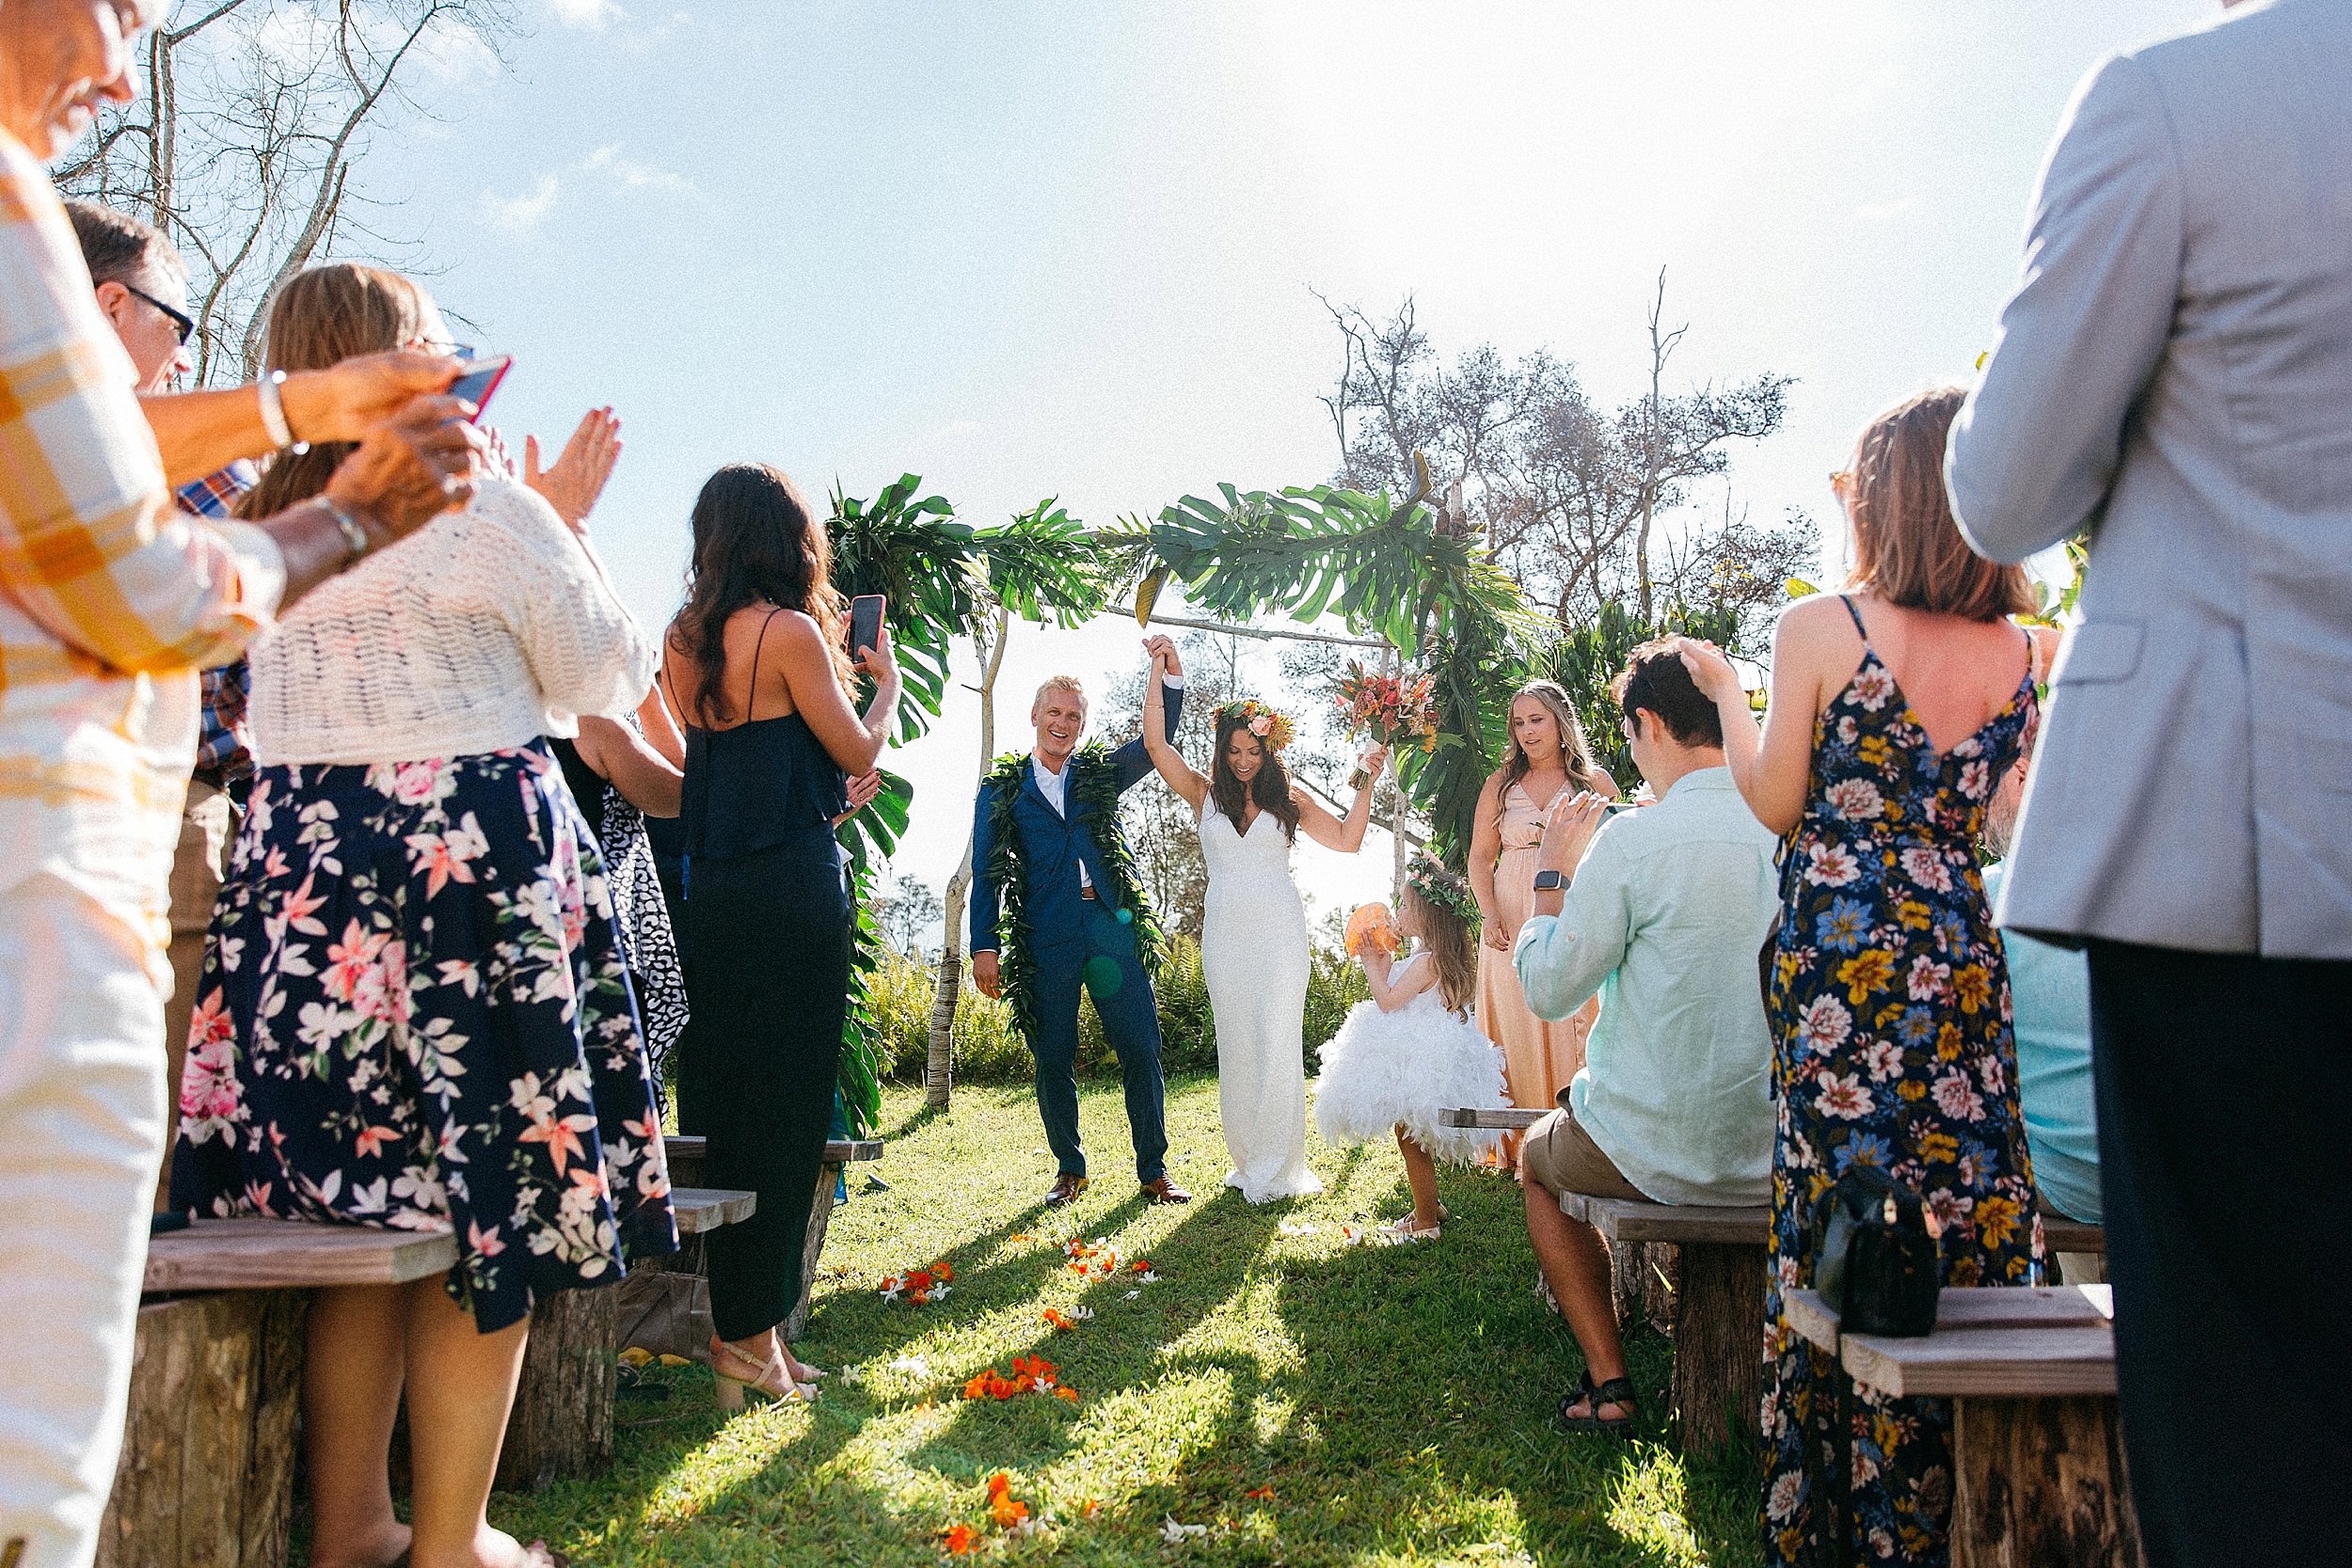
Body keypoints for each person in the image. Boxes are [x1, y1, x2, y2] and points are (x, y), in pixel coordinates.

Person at [0, 6, 482, 1560]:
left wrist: (296, 414)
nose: (121, 68)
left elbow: (105, 449)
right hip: (39, 894)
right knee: (31, 1463)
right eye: (117, 10)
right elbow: (147, 583)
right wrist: (351, 511)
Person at [172, 262, 671, 1568]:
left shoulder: (256, 525)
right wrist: (562, 517)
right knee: (477, 1212)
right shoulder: (484, 508)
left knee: (358, 1222)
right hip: (468, 882)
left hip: (304, 891)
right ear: (404, 363)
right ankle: (449, 1545)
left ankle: (351, 1528)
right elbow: (607, 672)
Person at [1946, 8, 2352, 1554]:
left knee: (2248, 1398)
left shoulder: (2179, 104)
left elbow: (2003, 486)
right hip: (2233, 843)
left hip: (2237, 840)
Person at [1683, 388, 2042, 1568]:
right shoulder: (2034, 651)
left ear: (1882, 496)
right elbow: (2007, 824)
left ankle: (1845, 1521)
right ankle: (1977, 1499)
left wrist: (1730, 701)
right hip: (1957, 944)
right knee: (1972, 1186)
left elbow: (1779, 800)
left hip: (1840, 949)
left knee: (1845, 1210)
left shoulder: (1816, 630)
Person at [660, 463, 896, 1407]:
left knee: (724, 1102)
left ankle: (745, 1333)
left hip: (710, 891)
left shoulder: (683, 641)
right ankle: (749, 1342)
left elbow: (730, 779)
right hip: (793, 896)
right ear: (783, 536)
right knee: (790, 1107)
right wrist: (880, 686)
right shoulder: (791, 632)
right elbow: (859, 748)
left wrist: (820, 806)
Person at [1511, 640, 1780, 1436]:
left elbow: (1550, 987)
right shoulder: (1786, 828)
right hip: (1773, 1150)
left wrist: (1552, 878)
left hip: (1653, 1152)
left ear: (1651, 722)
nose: (1632, 755)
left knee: (1535, 1158)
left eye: (1629, 737)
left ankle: (1611, 1379)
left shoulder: (1631, 840)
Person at [64, 198, 262, 1217]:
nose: (187, 357)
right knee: (156, 1088)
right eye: (177, 325)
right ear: (109, 301)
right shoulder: (182, 454)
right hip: (158, 813)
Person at [1136, 654, 1384, 1203]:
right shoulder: (1203, 793)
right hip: (1224, 933)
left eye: (1254, 750)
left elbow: (1347, 839)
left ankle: (1279, 1166)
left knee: (1278, 1043)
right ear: (1222, 750)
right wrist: (1159, 670)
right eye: (1235, 751)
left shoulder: (1288, 798)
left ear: (1269, 749)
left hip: (1279, 933)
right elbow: (1156, 746)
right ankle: (1248, 1162)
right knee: (1238, 1046)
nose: (1245, 761)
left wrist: (1367, 780)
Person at [969, 647, 1188, 1208]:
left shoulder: (1095, 775)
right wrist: (984, 946)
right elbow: (985, 872)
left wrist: (1168, 678)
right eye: (1054, 714)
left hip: (1110, 927)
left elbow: (1151, 747)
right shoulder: (1002, 792)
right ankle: (1070, 1170)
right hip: (1047, 937)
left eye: (1073, 716)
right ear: (1035, 717)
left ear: (1082, 724)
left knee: (1140, 1045)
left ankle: (1154, 1170)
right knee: (1054, 1056)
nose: (1063, 724)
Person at [1313, 857, 1505, 1239]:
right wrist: (1384, 961)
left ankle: (1426, 1221)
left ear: (1425, 915)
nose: (1397, 911)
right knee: (1414, 1136)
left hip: (1419, 1059)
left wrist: (1371, 965)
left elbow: (1387, 1001)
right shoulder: (1430, 958)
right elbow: (1398, 994)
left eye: (1404, 905)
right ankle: (1429, 1205)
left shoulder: (1427, 962)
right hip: (1423, 1053)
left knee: (1411, 1138)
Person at [1470, 682, 1617, 1167]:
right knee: (1513, 1021)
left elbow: (1615, 854)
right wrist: (1489, 912)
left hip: (1571, 909)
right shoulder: (1500, 785)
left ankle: (1575, 1137)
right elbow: (1478, 858)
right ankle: (1510, 1145)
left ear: (1560, 722)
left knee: (1570, 1012)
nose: (1528, 731)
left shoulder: (1593, 783)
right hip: (1509, 915)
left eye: (1537, 720)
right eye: (1519, 722)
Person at [549, 690, 690, 1110]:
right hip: (591, 947)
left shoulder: (476, 729)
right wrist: (648, 696)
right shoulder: (588, 723)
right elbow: (686, 792)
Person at [1981, 761, 2099, 1251]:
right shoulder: (2154, 882)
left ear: (2022, 774)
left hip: (2064, 1179)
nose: (1982, 830)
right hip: (2170, 1168)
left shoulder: (1986, 897)